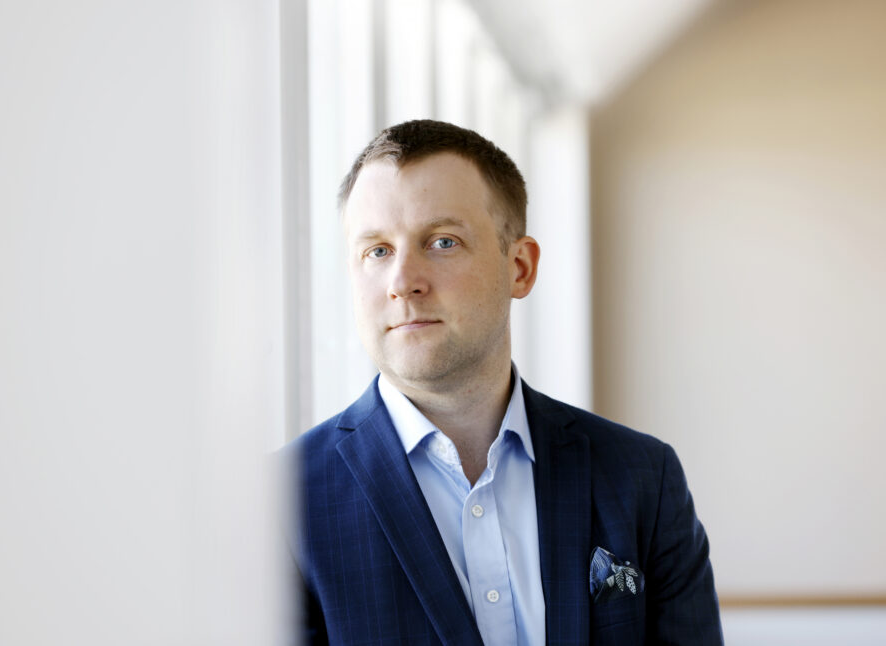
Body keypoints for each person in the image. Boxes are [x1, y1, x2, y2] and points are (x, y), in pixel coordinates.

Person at [285, 119, 722, 645]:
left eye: (442, 242)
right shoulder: (278, 505)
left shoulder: (643, 478)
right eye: (377, 250)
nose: (402, 282)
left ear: (519, 267)